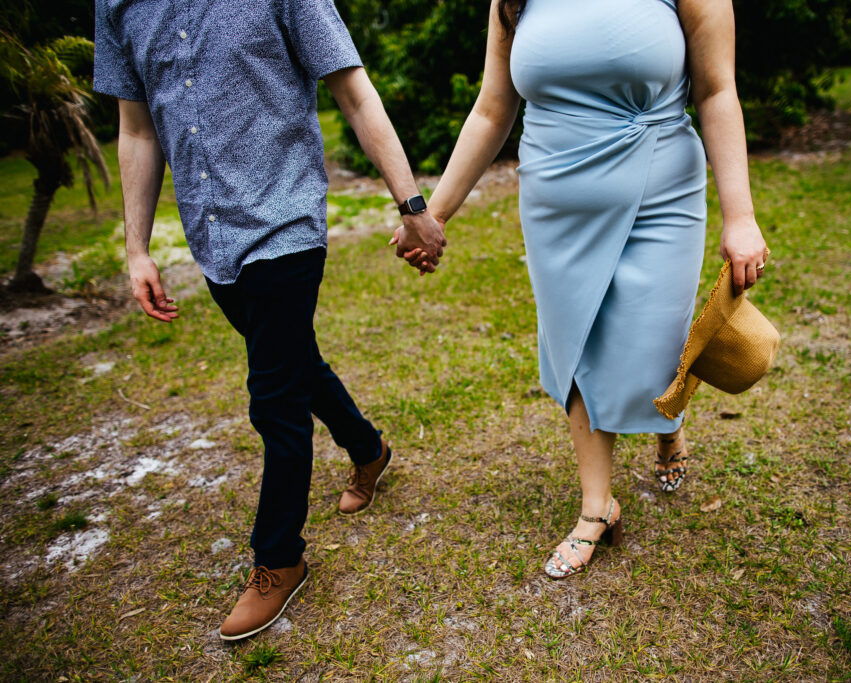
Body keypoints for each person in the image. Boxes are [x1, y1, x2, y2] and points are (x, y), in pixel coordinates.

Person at [94, 0, 446, 638]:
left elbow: (353, 89)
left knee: (273, 399)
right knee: (291, 363)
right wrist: (138, 248)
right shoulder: (115, 6)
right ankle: (369, 450)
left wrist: (412, 204)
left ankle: (279, 559)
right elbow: (137, 128)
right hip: (212, 236)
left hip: (285, 220)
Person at [415, 0, 768, 578]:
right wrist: (438, 214)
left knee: (656, 344)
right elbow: (492, 107)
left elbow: (716, 90)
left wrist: (741, 215)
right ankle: (596, 508)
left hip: (661, 190)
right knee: (576, 341)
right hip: (557, 199)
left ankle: (668, 424)